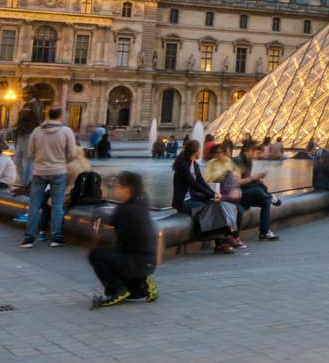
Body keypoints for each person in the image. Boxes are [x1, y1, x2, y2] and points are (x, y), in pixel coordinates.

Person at [88, 171, 158, 309]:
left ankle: (116, 290)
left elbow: (111, 220)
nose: (114, 188)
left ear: (128, 189)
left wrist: (98, 215)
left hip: (136, 261)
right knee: (135, 293)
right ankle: (142, 285)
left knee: (96, 255)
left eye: (118, 185)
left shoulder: (126, 210)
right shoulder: (142, 199)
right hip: (148, 261)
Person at [20, 107, 78, 249]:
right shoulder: (66, 131)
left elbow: (29, 153)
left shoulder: (37, 131)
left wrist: (39, 161)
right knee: (57, 205)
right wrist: (61, 161)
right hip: (59, 171)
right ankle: (56, 237)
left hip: (39, 171)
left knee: (34, 205)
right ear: (60, 116)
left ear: (47, 115)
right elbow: (72, 153)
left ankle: (28, 239)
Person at [172, 139, 236, 254]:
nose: (200, 152)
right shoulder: (183, 166)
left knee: (216, 205)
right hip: (183, 202)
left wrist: (214, 195)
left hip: (192, 199)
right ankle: (219, 242)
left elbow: (201, 182)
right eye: (199, 150)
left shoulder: (194, 165)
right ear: (194, 151)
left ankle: (223, 241)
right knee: (209, 209)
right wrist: (211, 194)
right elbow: (194, 184)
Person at [199, 145, 252, 248]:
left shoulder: (229, 161)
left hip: (230, 194)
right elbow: (207, 179)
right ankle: (227, 238)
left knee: (239, 211)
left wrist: (233, 174)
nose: (219, 155)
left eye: (221, 152)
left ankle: (235, 237)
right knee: (227, 211)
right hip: (220, 194)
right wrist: (221, 175)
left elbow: (239, 173)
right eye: (217, 153)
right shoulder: (211, 164)